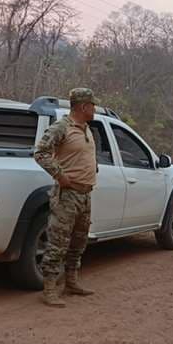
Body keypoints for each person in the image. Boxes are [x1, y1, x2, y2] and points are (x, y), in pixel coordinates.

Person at [34, 88, 98, 308]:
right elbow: (40, 152)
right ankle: (49, 288)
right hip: (68, 195)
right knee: (58, 242)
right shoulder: (62, 127)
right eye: (92, 105)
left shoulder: (87, 129)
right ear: (83, 106)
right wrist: (60, 176)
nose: (94, 109)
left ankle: (71, 281)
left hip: (85, 194)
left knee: (79, 241)